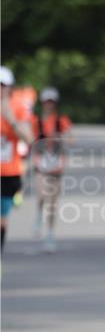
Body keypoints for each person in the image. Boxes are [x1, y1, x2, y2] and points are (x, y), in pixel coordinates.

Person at [31, 87, 73, 252]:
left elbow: (71, 140)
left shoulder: (61, 121)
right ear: (42, 103)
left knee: (52, 202)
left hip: (56, 165)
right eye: (46, 102)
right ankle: (38, 215)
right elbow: (29, 140)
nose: (49, 105)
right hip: (41, 163)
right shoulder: (35, 121)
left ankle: (50, 234)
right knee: (42, 194)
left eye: (52, 102)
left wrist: (60, 137)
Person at [1, 66, 34, 252]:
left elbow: (29, 138)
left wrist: (10, 119)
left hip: (8, 172)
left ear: (10, 87)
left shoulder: (18, 108)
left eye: (3, 85)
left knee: (1, 219)